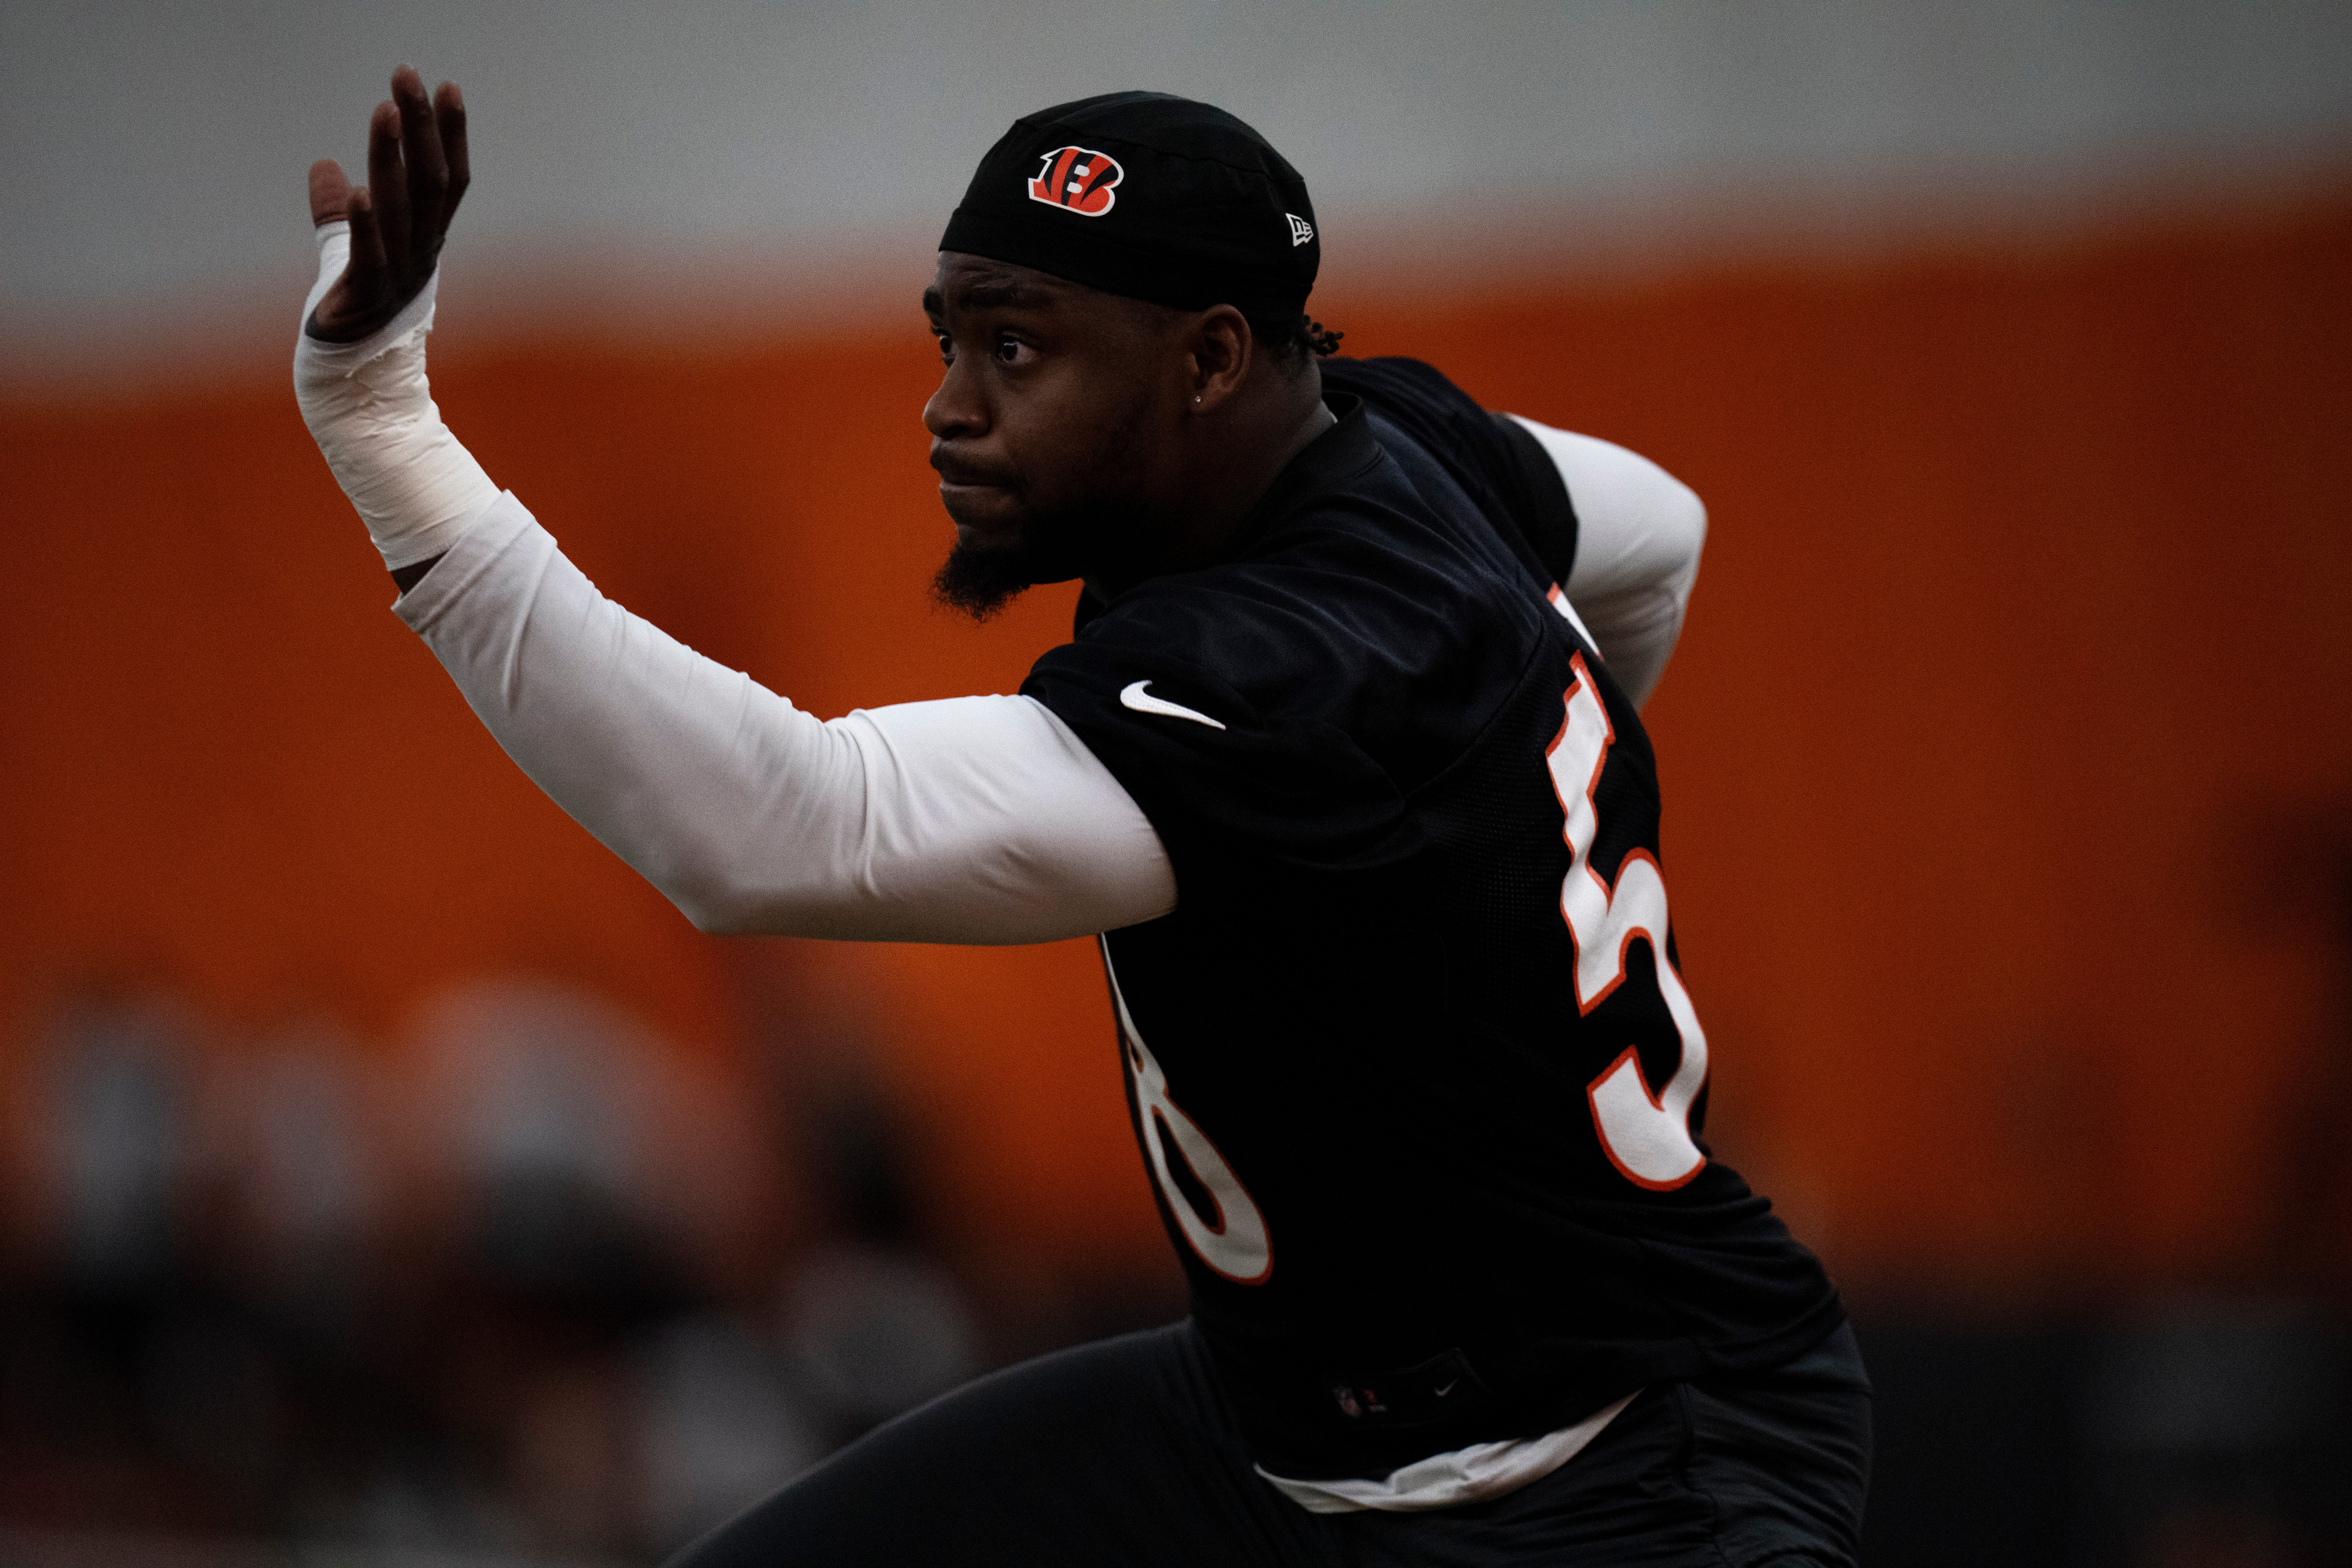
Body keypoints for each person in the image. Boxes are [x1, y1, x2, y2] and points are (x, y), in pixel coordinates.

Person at [297, 68, 1869, 1568]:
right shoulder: (1404, 448)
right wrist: (1492, 839)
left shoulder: (1285, 677)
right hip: (1289, 1433)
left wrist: (385, 431)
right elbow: (1660, 535)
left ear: (1209, 360)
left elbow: (778, 830)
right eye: (950, 335)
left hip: (1604, 1470)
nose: (947, 407)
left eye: (1018, 349)